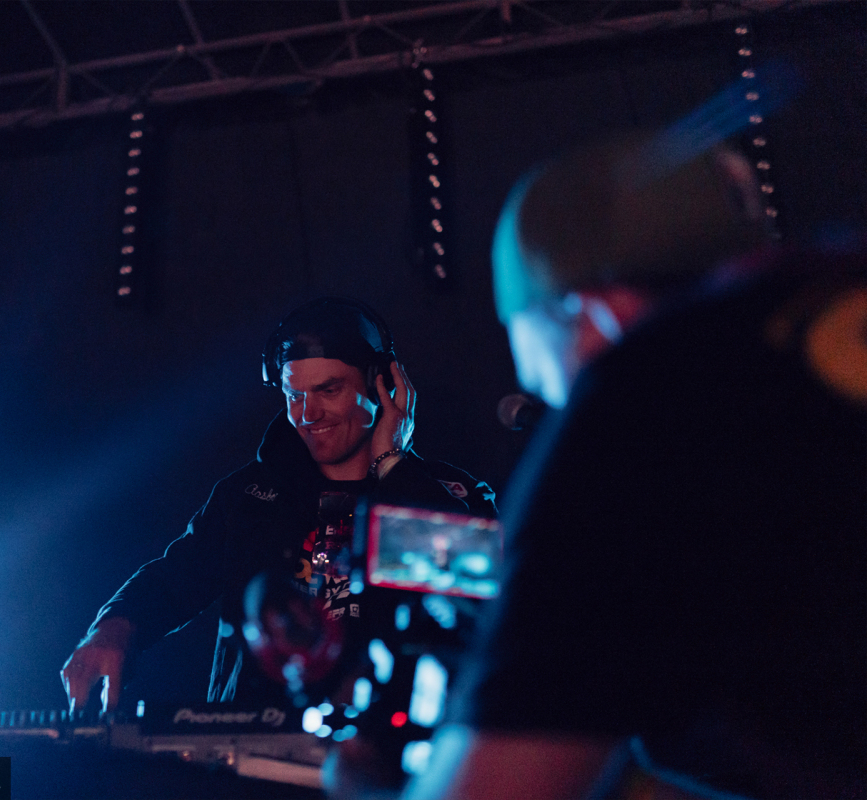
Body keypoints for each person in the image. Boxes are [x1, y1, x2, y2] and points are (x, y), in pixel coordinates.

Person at [404, 134, 866, 799]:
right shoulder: (831, 293)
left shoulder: (640, 389)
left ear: (593, 315)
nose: (558, 413)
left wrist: (366, 782)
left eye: (548, 389)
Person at [61, 298, 496, 715]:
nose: (307, 413)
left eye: (328, 390)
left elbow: (482, 600)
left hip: (390, 751)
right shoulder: (247, 496)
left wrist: (393, 468)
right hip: (251, 751)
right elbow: (172, 582)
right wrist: (112, 629)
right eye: (293, 394)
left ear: (383, 385)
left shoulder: (449, 494)